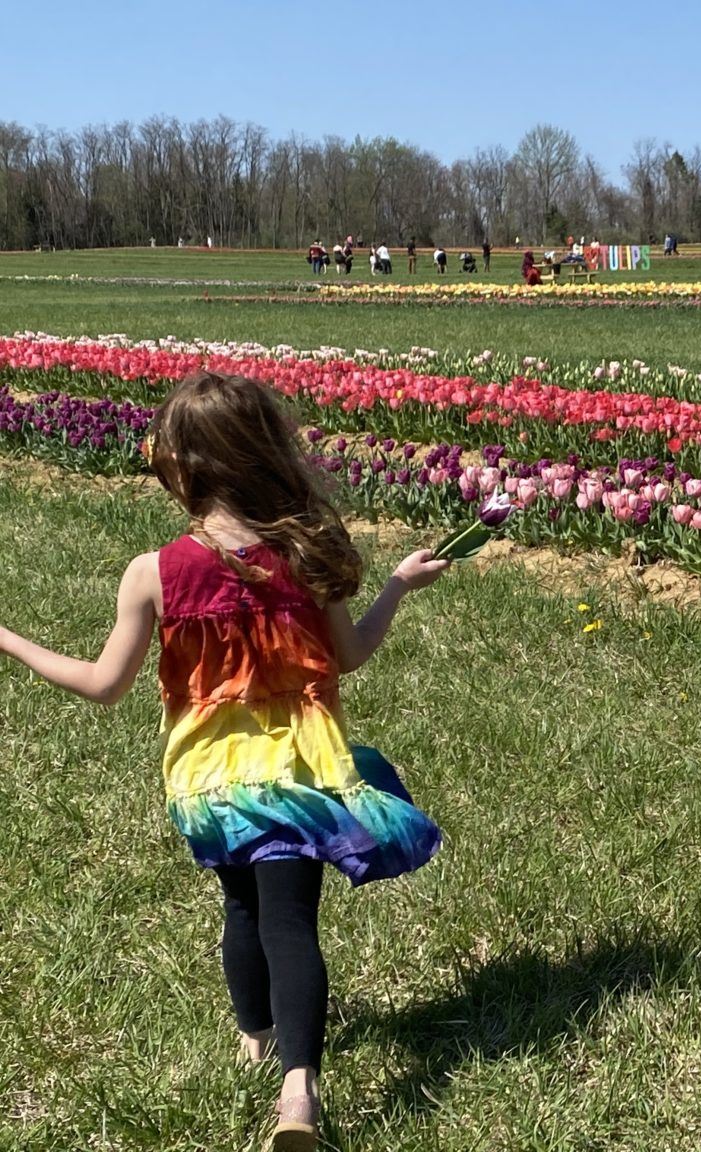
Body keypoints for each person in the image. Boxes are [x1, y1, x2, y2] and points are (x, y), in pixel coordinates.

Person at [0, 371, 448, 1150]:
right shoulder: (304, 550)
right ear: (266, 452)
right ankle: (299, 1091)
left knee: (243, 909)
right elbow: (349, 656)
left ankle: (257, 1041)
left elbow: (105, 685)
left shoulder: (155, 572)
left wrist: (7, 638)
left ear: (183, 468)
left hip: (208, 781)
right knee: (291, 921)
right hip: (304, 773)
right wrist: (397, 588)